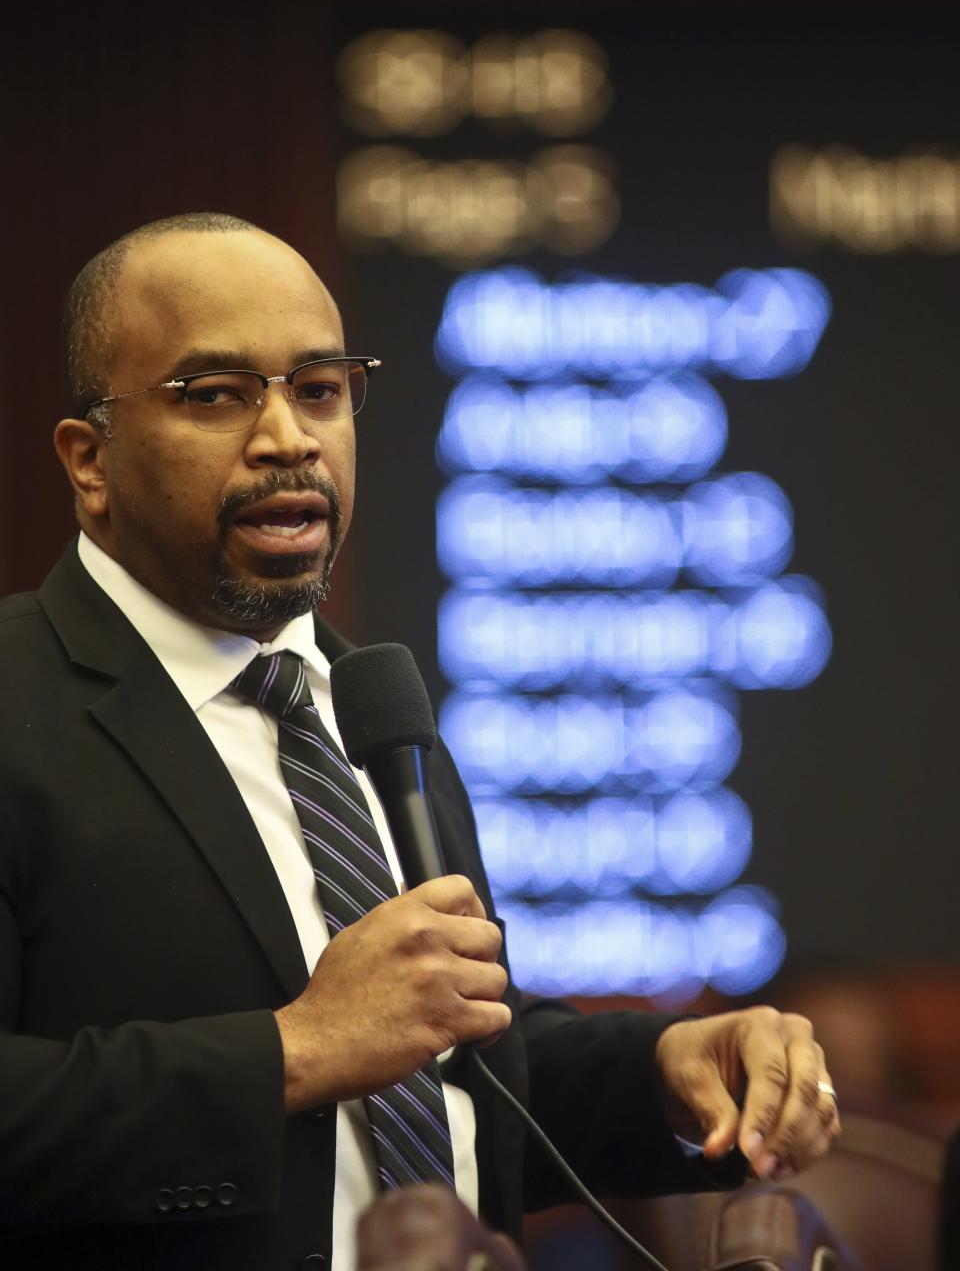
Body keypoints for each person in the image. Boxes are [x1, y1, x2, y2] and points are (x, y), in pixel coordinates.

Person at [0, 213, 839, 1271]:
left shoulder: (366, 705)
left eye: (317, 388)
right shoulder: (17, 703)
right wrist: (294, 1049)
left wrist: (668, 1066)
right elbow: (336, 1040)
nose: (287, 438)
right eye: (215, 395)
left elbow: (449, 1063)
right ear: (90, 459)